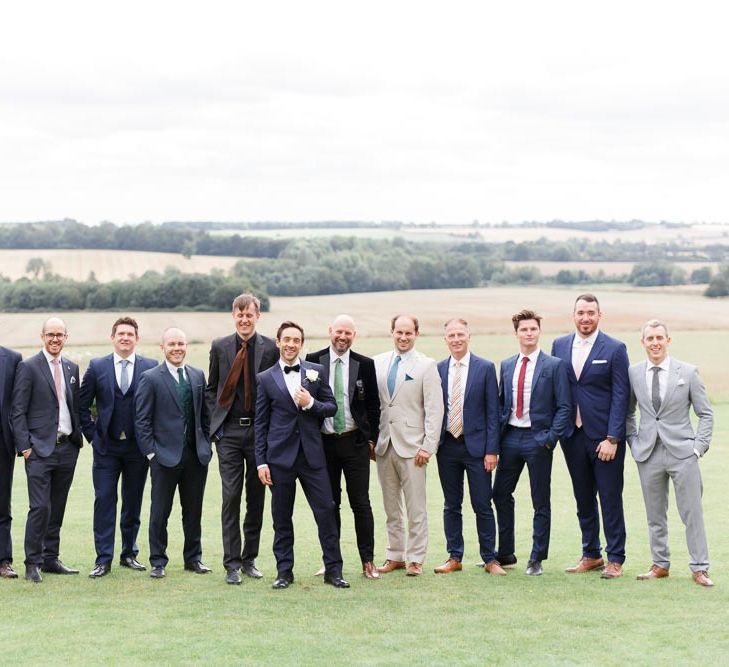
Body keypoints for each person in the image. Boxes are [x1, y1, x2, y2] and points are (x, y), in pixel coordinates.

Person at [255, 321, 349, 589]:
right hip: (279, 459)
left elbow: (331, 407)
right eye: (286, 339)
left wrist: (311, 404)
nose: (291, 344)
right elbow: (260, 424)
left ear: (301, 344)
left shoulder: (315, 371)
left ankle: (334, 570)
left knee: (326, 512)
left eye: (296, 340)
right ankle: (284, 572)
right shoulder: (265, 378)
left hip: (312, 458)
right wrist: (261, 461)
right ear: (278, 341)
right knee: (281, 517)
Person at [626, 320, 714, 587]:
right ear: (643, 342)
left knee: (692, 513)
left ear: (668, 340)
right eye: (650, 338)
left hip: (683, 454)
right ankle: (660, 564)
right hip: (648, 453)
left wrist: (697, 448)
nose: (655, 343)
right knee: (655, 514)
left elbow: (706, 414)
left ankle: (700, 568)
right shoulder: (634, 373)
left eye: (659, 338)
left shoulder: (687, 372)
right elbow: (628, 412)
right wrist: (633, 441)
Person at [551, 294, 630, 579]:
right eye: (581, 313)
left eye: (591, 313)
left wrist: (613, 438)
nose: (586, 318)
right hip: (573, 436)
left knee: (609, 497)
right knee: (583, 497)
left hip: (604, 439)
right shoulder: (559, 345)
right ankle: (591, 553)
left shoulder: (615, 348)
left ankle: (616, 558)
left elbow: (621, 395)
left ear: (600, 315)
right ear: (574, 315)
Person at [206, 294, 279, 585]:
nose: (244, 319)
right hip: (230, 433)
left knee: (256, 497)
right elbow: (211, 389)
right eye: (240, 315)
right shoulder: (220, 347)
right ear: (233, 315)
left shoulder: (271, 348)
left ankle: (250, 559)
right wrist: (218, 427)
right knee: (231, 496)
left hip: (260, 433)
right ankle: (231, 563)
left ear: (257, 316)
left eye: (250, 315)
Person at [492, 310, 572, 576]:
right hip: (510, 438)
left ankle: (537, 558)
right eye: (524, 330)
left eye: (533, 329)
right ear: (516, 333)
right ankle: (505, 553)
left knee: (540, 499)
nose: (529, 333)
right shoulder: (506, 365)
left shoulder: (554, 365)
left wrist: (549, 440)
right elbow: (502, 404)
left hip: (539, 440)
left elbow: (564, 406)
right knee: (500, 494)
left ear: (539, 332)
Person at [79, 317, 157, 578]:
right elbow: (82, 405)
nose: (125, 338)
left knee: (133, 502)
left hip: (137, 449)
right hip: (106, 449)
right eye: (120, 333)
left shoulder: (150, 366)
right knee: (104, 501)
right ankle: (103, 559)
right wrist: (93, 436)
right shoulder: (97, 366)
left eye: (130, 334)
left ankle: (129, 554)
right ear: (112, 338)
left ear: (137, 338)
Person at [306, 314, 382, 579]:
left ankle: (368, 561)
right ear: (330, 331)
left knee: (360, 503)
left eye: (348, 333)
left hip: (355, 443)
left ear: (354, 335)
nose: (342, 337)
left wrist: (371, 438)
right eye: (339, 332)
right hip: (324, 444)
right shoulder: (313, 361)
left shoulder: (365, 364)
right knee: (329, 504)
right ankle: (331, 561)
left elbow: (373, 405)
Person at [135, 327, 212, 579]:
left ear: (186, 346)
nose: (177, 348)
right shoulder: (150, 378)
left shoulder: (197, 375)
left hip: (195, 456)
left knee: (193, 511)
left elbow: (205, 415)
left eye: (181, 343)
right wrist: (151, 454)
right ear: (163, 347)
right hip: (163, 457)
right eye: (172, 344)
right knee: (160, 512)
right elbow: (142, 420)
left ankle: (193, 558)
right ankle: (158, 561)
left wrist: (206, 445)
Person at [11, 317, 82, 583]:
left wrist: (78, 439)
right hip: (38, 450)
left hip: (67, 448)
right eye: (50, 334)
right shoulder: (28, 367)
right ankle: (33, 562)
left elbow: (73, 407)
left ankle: (51, 558)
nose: (55, 339)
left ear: (66, 337)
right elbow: (17, 411)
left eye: (59, 335)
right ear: (42, 337)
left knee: (58, 506)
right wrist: (25, 448)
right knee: (40, 507)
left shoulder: (72, 367)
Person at [373, 315, 444, 577]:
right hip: (383, 445)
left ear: (417, 334)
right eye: (399, 332)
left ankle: (415, 558)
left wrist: (428, 446)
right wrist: (373, 439)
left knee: (416, 507)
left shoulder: (426, 365)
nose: (403, 337)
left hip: (414, 447)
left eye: (408, 333)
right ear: (391, 332)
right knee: (391, 506)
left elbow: (435, 409)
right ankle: (395, 555)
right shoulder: (378, 363)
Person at [434, 318, 503, 576]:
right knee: (451, 504)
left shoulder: (484, 368)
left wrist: (492, 450)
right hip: (447, 447)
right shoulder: (438, 369)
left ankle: (490, 558)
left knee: (482, 504)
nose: (456, 339)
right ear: (445, 340)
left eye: (460, 334)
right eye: (451, 335)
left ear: (468, 336)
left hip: (477, 449)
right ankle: (454, 556)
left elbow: (493, 412)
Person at [0, 344, 22, 579]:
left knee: (2, 502)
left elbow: (18, 403)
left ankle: (3, 560)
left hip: (2, 442)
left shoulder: (13, 358)